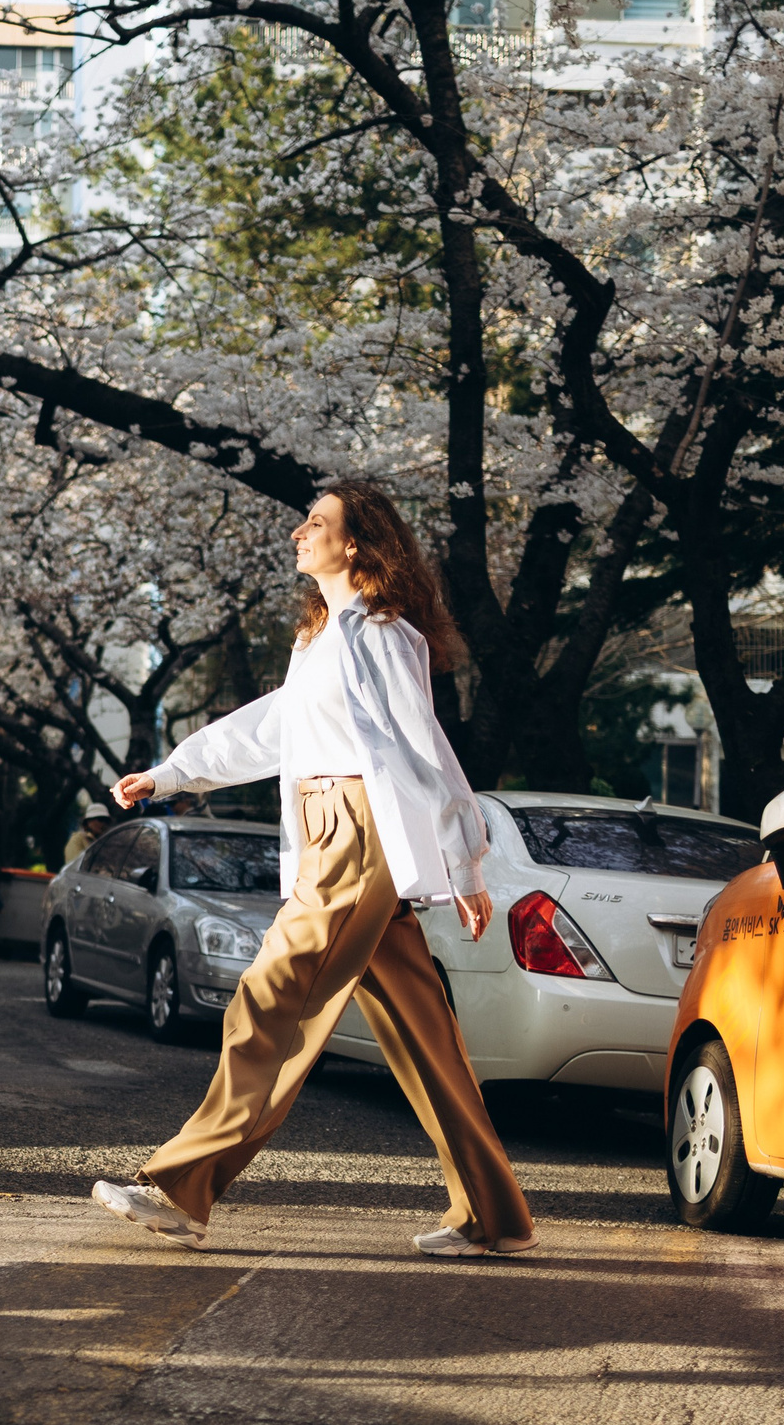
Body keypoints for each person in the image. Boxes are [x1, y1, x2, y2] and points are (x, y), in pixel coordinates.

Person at [89, 480, 536, 1260]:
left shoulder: (381, 632)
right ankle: (494, 1213)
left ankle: (184, 1188)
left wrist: (465, 861)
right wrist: (170, 774)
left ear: (355, 542)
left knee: (270, 1000)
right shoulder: (323, 637)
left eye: (317, 522)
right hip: (334, 835)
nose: (300, 531)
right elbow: (270, 728)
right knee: (422, 1034)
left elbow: (425, 749)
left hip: (356, 837)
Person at [63, 799, 110, 868]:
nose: (103, 824)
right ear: (89, 821)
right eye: (100, 820)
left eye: (106, 821)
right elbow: (73, 866)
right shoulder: (77, 839)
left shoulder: (106, 842)